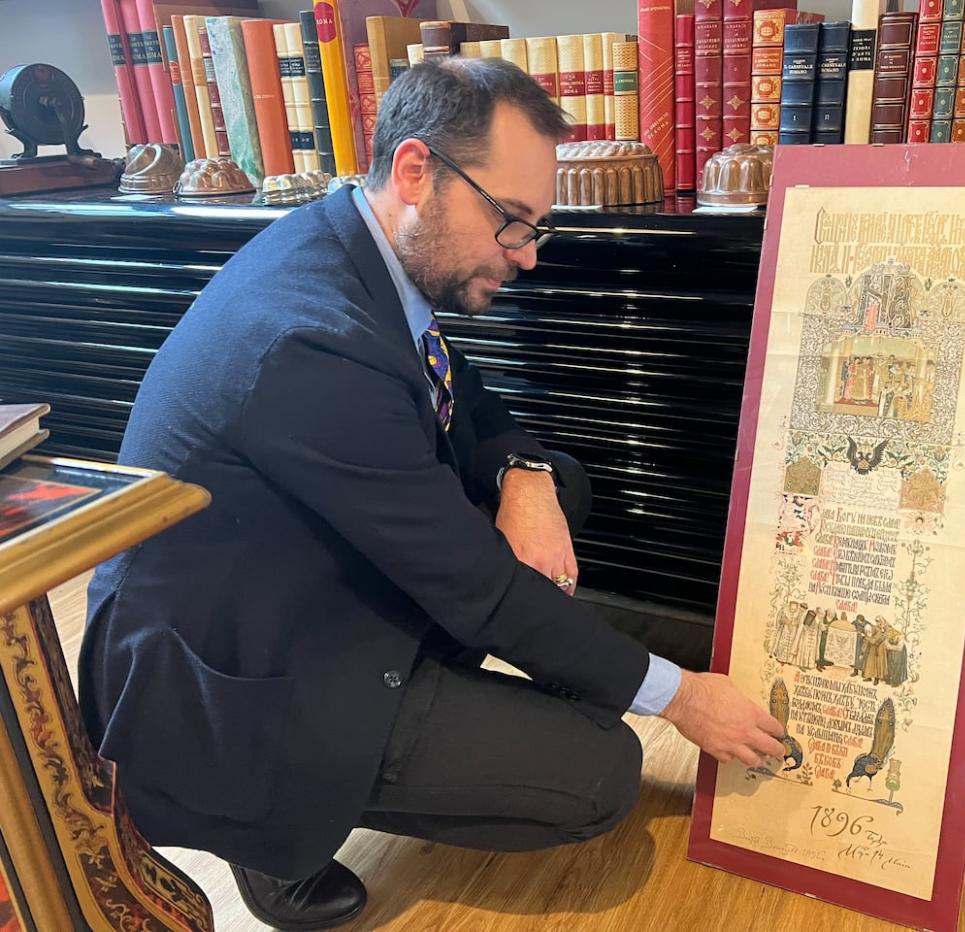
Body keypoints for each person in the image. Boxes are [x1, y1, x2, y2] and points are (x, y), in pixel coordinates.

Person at [77, 59, 784, 931]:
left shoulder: (356, 244)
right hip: (235, 681)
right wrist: (682, 696)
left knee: (560, 487)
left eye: (537, 230)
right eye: (513, 224)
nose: (525, 258)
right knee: (601, 776)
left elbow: (471, 402)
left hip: (311, 588)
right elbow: (475, 588)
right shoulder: (309, 340)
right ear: (416, 171)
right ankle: (264, 833)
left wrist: (526, 479)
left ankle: (511, 685)